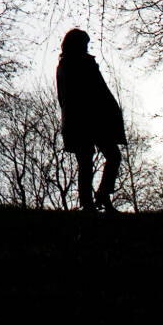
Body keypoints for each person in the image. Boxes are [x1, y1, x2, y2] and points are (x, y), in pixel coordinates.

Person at [56, 28, 127, 211]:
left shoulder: (65, 66)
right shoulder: (78, 64)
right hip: (88, 120)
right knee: (93, 160)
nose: (87, 48)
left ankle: (97, 198)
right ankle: (91, 201)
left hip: (83, 121)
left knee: (98, 159)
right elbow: (95, 92)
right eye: (84, 44)